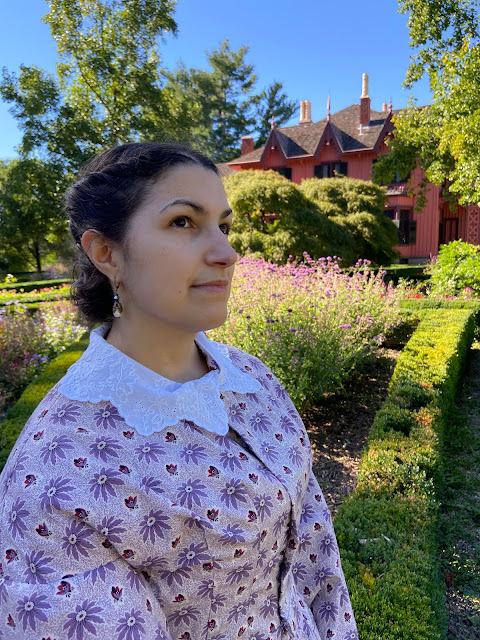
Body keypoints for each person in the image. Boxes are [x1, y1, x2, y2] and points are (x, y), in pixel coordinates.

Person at [0, 142, 358, 640]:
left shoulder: (252, 378)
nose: (227, 253)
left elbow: (315, 550)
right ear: (106, 253)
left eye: (224, 226)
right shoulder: (56, 475)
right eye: (184, 222)